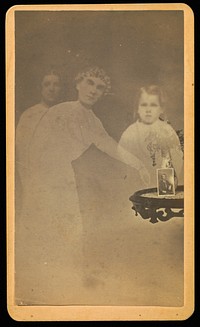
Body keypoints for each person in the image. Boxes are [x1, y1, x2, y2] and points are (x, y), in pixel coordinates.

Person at [15, 66, 150, 303]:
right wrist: (36, 184)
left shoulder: (92, 120)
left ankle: (60, 292)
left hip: (63, 178)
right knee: (42, 231)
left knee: (70, 231)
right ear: (78, 84)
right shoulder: (60, 110)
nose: (93, 90)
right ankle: (32, 293)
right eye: (89, 83)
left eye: (99, 88)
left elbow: (108, 144)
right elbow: (34, 148)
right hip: (43, 178)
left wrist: (138, 164)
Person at [118, 85, 183, 188]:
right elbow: (122, 158)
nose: (148, 110)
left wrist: (166, 184)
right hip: (137, 182)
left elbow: (176, 159)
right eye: (144, 105)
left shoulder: (167, 130)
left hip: (163, 182)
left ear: (161, 109)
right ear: (137, 109)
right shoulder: (130, 132)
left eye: (153, 105)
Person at [16, 70, 62, 187]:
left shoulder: (65, 114)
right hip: (36, 180)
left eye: (56, 85)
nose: (51, 89)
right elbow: (21, 152)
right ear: (40, 88)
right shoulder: (29, 115)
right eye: (47, 84)